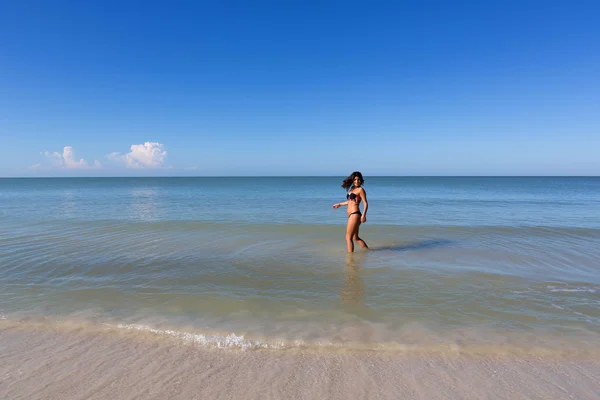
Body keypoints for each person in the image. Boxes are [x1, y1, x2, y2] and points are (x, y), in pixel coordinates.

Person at [332, 171, 369, 252]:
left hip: (355, 214)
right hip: (352, 215)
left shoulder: (360, 190)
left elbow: (365, 203)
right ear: (352, 180)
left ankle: (350, 259)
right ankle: (368, 251)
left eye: (358, 179)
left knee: (348, 238)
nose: (357, 181)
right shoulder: (352, 189)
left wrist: (363, 215)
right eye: (355, 179)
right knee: (355, 238)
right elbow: (349, 202)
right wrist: (340, 204)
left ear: (361, 180)